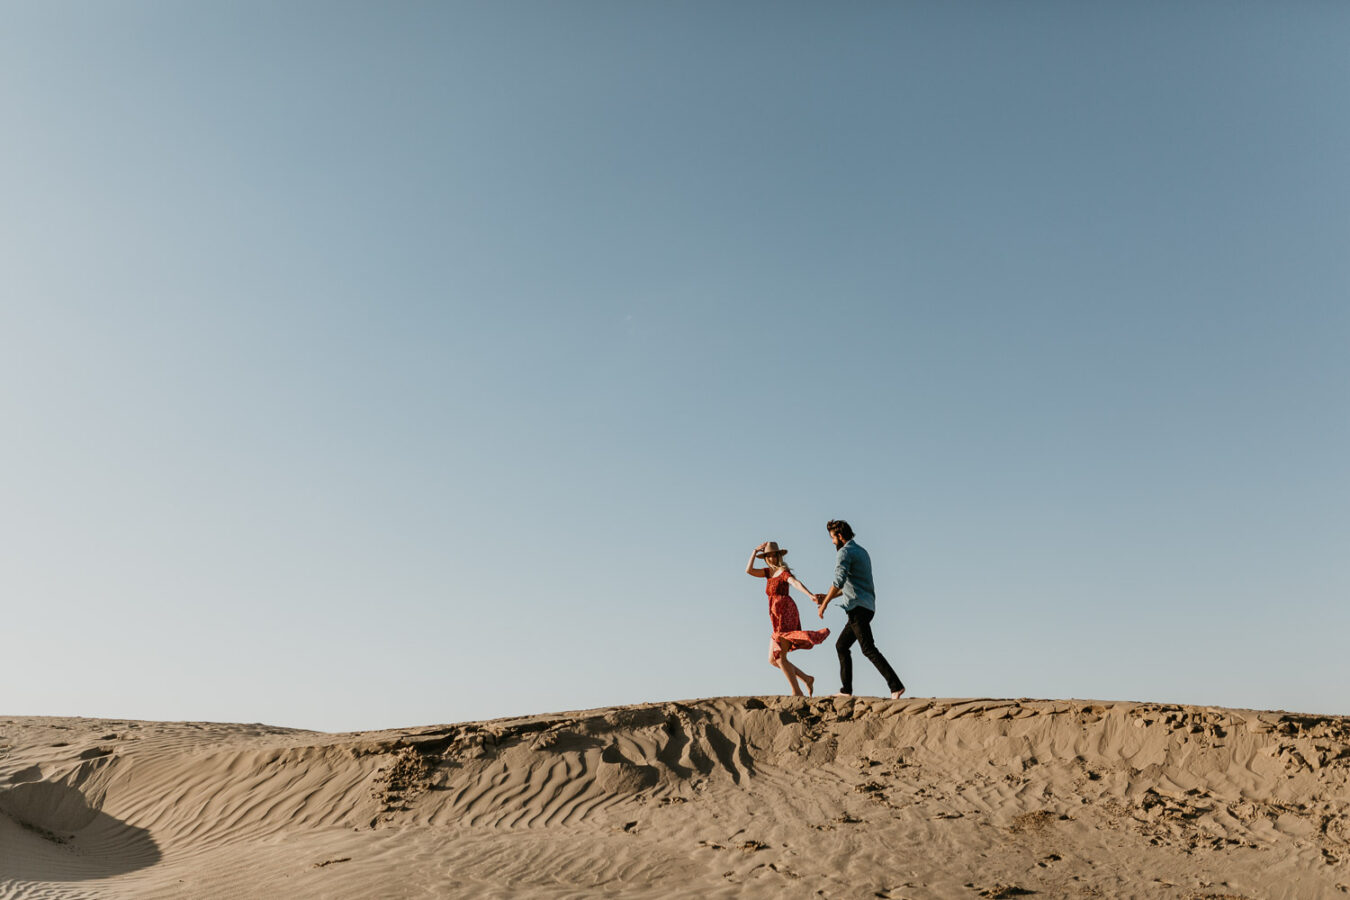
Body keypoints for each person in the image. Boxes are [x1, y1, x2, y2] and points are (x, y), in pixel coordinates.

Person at [814, 520, 906, 699]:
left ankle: (895, 686)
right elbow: (850, 585)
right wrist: (826, 597)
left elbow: (838, 581)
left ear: (840, 536)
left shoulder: (844, 552)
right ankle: (846, 690)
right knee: (841, 646)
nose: (832, 542)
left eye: (832, 538)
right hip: (867, 606)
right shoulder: (862, 552)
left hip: (857, 608)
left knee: (867, 648)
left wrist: (824, 604)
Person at [745, 541, 830, 696]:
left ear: (778, 556)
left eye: (773, 555)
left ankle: (796, 691)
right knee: (773, 659)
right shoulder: (767, 573)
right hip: (775, 615)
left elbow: (795, 583)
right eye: (768, 556)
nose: (771, 558)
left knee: (780, 656)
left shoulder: (783, 573)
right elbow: (749, 570)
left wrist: (810, 595)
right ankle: (806, 678)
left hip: (785, 612)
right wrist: (754, 550)